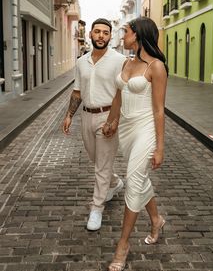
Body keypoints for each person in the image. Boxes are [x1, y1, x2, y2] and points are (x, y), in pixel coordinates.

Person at [102, 17, 168, 271]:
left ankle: (123, 244)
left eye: (125, 32)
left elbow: (160, 110)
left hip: (146, 130)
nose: (122, 36)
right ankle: (156, 219)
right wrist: (111, 122)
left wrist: (160, 148)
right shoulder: (127, 62)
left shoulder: (156, 67)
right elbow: (117, 96)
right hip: (127, 131)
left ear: (138, 36)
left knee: (133, 180)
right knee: (141, 178)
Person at [62, 18, 126, 231]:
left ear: (110, 36)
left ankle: (96, 208)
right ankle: (115, 182)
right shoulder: (82, 62)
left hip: (108, 115)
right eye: (97, 32)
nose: (101, 36)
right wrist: (70, 115)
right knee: (96, 158)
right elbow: (77, 90)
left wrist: (115, 120)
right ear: (90, 34)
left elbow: (121, 92)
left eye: (105, 33)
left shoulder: (119, 60)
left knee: (101, 165)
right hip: (86, 116)